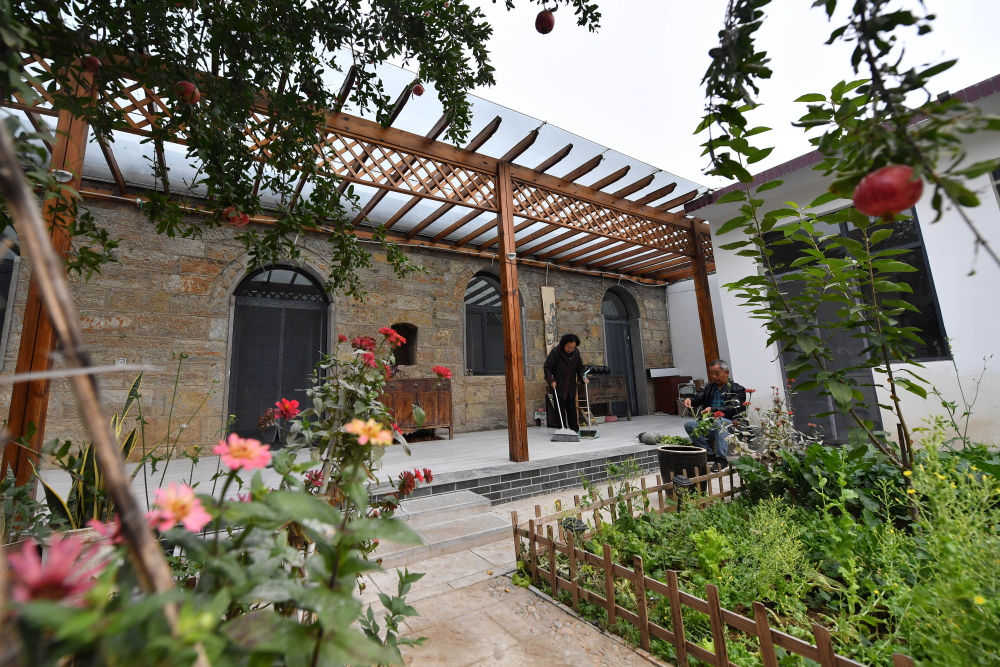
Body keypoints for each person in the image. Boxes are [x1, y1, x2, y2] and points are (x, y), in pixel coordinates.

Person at [683, 359, 747, 471]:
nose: (714, 376)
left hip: (730, 425)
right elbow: (698, 398)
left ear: (726, 372)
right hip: (711, 425)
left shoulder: (738, 389)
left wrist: (713, 410)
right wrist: (690, 400)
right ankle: (708, 453)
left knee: (719, 421)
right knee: (689, 425)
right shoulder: (710, 387)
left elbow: (733, 408)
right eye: (712, 374)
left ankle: (722, 459)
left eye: (717, 373)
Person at [543, 333, 589, 432]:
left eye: (573, 347)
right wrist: (551, 380)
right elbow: (547, 368)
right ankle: (562, 430)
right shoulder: (555, 352)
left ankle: (574, 430)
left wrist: (583, 377)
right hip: (558, 385)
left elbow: (580, 368)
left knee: (572, 409)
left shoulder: (576, 353)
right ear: (563, 344)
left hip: (570, 386)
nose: (570, 349)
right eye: (568, 347)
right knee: (560, 410)